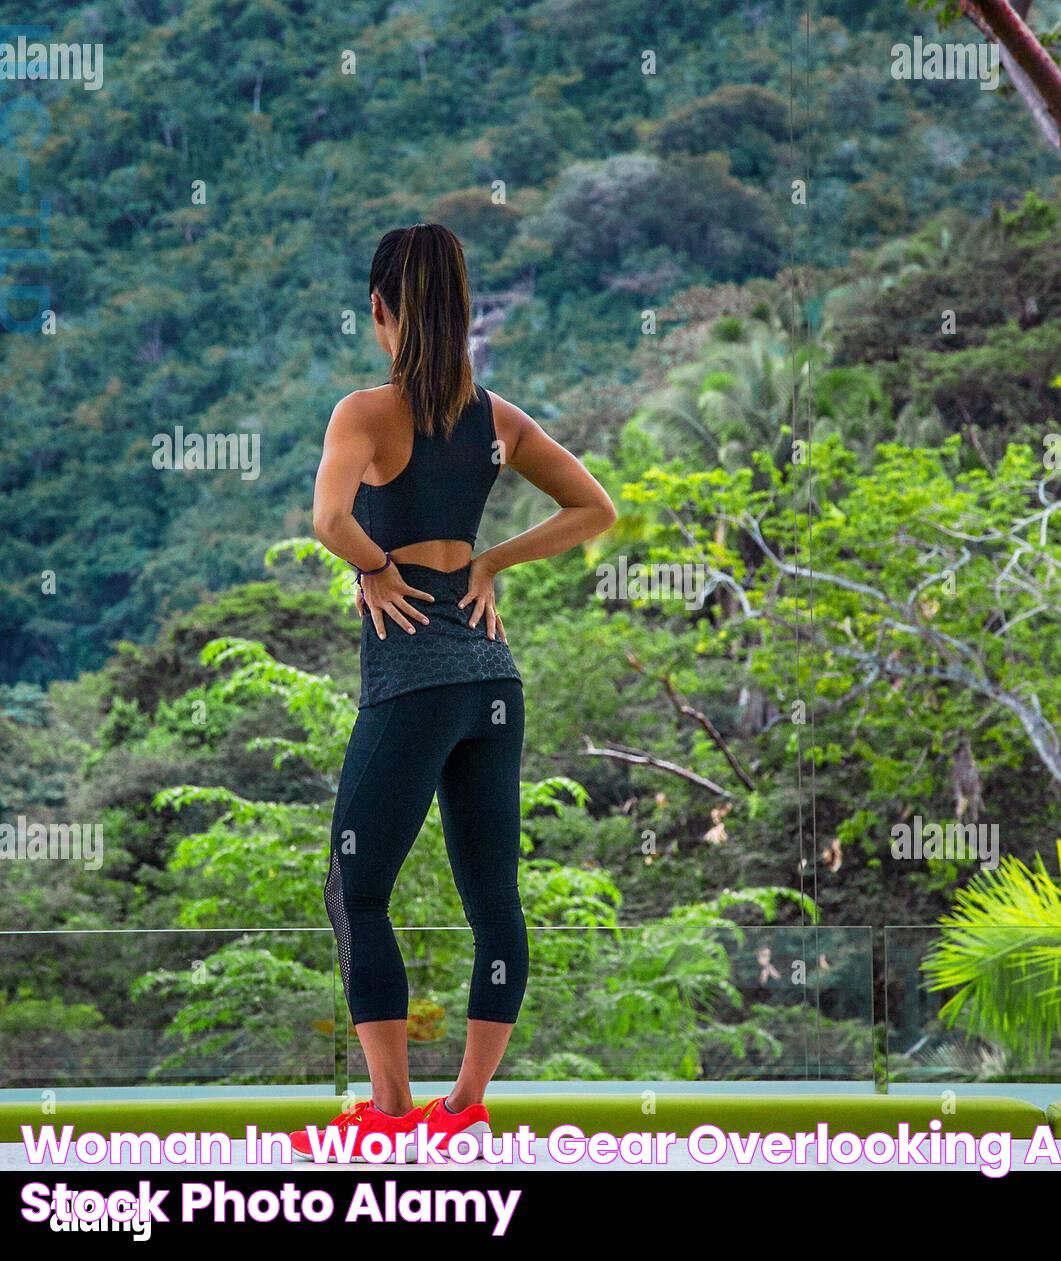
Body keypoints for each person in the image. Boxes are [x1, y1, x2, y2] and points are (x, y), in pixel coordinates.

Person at [293, 222, 615, 1159]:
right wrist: (492, 561)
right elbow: (595, 506)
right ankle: (465, 1102)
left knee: (354, 888)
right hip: (493, 682)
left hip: (416, 679)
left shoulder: (365, 411)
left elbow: (327, 517)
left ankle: (390, 1112)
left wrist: (373, 566)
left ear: (382, 309)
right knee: (493, 900)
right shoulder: (497, 418)